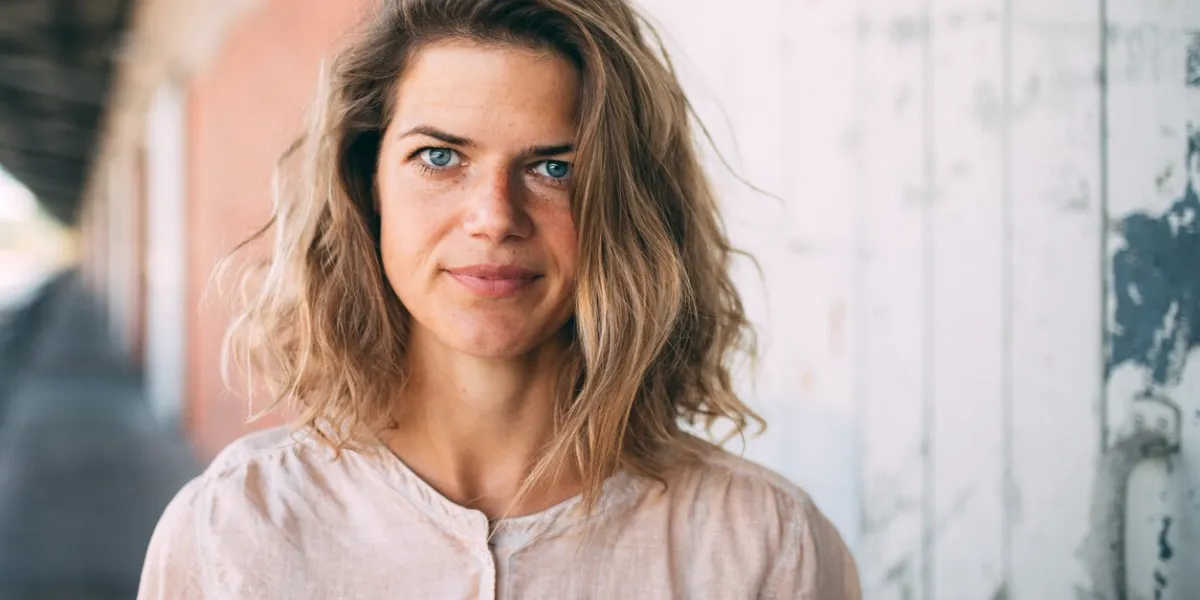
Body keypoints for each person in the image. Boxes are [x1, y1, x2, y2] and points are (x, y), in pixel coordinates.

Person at [136, 0, 861, 597]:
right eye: (440, 157)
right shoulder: (231, 531)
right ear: (368, 184)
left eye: (553, 167)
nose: (494, 216)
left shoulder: (766, 546)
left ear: (624, 204)